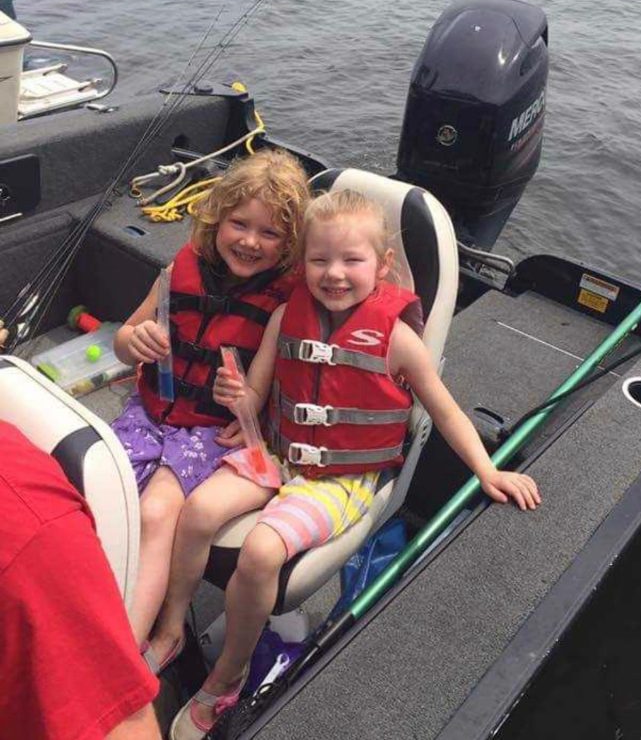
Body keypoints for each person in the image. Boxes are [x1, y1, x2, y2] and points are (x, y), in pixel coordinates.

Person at [160, 188, 541, 739]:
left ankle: (228, 675)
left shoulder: (398, 339)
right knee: (196, 511)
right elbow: (255, 396)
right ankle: (172, 624)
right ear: (303, 262)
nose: (334, 274)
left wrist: (489, 469)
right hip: (276, 455)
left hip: (342, 479)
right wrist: (236, 395)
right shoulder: (286, 316)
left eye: (351, 261)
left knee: (262, 551)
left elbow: (448, 411)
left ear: (383, 267)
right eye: (319, 260)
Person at [111, 149, 310, 658]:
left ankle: (124, 648)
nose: (249, 241)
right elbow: (125, 337)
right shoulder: (181, 268)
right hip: (149, 411)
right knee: (98, 485)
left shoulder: (282, 303)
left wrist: (240, 398)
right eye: (239, 223)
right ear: (217, 218)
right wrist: (134, 342)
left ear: (289, 245)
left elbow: (262, 402)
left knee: (158, 511)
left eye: (269, 234)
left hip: (205, 433)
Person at [0, 420, 161, 740]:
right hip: (148, 428)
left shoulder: (28, 535)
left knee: (161, 513)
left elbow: (124, 726)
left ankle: (167, 640)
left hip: (201, 441)